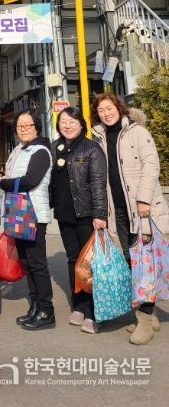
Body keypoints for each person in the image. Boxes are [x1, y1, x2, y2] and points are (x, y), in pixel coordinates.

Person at [91, 93, 169, 345]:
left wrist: (144, 199)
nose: (106, 113)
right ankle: (149, 314)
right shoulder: (99, 137)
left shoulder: (137, 132)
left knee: (145, 263)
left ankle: (144, 321)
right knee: (131, 260)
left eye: (109, 108)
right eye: (101, 110)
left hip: (141, 209)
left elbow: (151, 164)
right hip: (119, 211)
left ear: (119, 108)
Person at [51, 106, 107, 334]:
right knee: (73, 260)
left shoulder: (91, 148)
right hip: (64, 214)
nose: (67, 125)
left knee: (91, 264)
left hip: (87, 215)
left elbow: (98, 183)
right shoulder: (55, 147)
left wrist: (100, 214)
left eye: (72, 122)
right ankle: (79, 305)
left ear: (81, 125)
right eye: (63, 122)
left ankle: (95, 312)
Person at [0, 109, 54, 330]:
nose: (23, 129)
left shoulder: (40, 151)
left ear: (36, 127)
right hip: (18, 212)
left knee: (37, 263)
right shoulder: (19, 149)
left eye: (27, 125)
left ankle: (46, 310)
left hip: (33, 214)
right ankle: (35, 306)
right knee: (26, 262)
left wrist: (5, 183)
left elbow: (31, 180)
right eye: (19, 126)